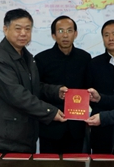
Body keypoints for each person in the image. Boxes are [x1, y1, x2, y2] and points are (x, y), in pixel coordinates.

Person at [0, 8, 67, 153]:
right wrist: (49, 111)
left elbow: (32, 86)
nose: (23, 33)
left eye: (27, 29)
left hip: (22, 137)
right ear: (5, 29)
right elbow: (16, 94)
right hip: (4, 140)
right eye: (18, 28)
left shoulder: (26, 56)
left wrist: (56, 91)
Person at [35, 15, 92, 153]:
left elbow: (88, 86)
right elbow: (36, 88)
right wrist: (55, 91)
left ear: (75, 34)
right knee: (49, 166)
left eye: (69, 30)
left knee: (75, 166)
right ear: (53, 35)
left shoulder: (85, 58)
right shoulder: (41, 59)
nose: (65, 35)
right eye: (60, 31)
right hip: (50, 126)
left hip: (77, 127)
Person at [87, 20, 114, 153]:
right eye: (106, 35)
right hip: (101, 127)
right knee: (100, 165)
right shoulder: (94, 64)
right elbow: (89, 95)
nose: (110, 38)